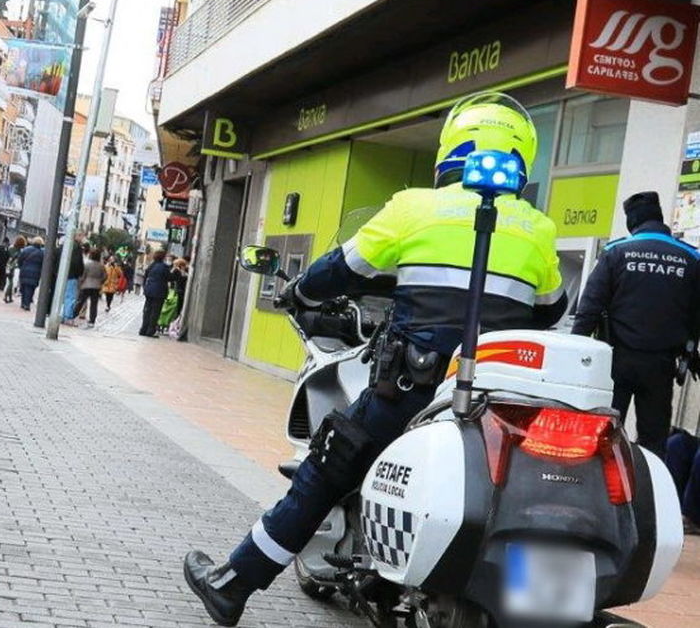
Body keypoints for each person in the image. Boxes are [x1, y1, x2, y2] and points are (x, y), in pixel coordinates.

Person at [182, 92, 566, 627]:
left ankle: (232, 584)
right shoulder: (537, 228)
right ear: (522, 156)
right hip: (495, 404)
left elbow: (341, 269)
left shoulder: (414, 208)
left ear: (452, 148)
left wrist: (300, 292)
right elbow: (552, 308)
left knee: (323, 472)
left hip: (409, 392)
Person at [571, 191, 700, 457]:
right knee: (653, 442)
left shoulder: (616, 252)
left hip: (616, 360)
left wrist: (575, 352)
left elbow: (589, 307)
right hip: (661, 366)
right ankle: (646, 482)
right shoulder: (690, 257)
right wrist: (692, 353)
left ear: (633, 220)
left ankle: (603, 481)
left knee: (602, 433)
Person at [139, 249, 171, 337]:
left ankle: (143, 329)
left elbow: (145, 277)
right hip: (159, 292)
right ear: (163, 257)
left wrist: (145, 287)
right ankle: (150, 331)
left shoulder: (151, 266)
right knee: (155, 312)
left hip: (149, 291)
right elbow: (169, 277)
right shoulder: (164, 267)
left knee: (147, 310)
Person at [75, 249, 106, 328]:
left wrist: (81, 283)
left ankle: (74, 314)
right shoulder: (101, 266)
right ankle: (92, 320)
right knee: (94, 304)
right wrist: (100, 282)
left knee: (81, 301)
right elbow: (105, 276)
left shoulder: (87, 264)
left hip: (86, 285)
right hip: (96, 286)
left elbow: (83, 275)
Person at [17, 236, 46, 310]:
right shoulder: (42, 253)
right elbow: (43, 264)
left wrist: (21, 267)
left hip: (24, 271)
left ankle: (23, 303)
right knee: (31, 288)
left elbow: (20, 260)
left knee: (23, 287)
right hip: (35, 273)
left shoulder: (26, 249)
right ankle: (27, 303)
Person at [5, 236, 26, 304]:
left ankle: (10, 297)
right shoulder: (21, 251)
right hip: (15, 267)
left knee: (10, 281)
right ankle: (6, 296)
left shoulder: (10, 248)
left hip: (8, 265)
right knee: (12, 282)